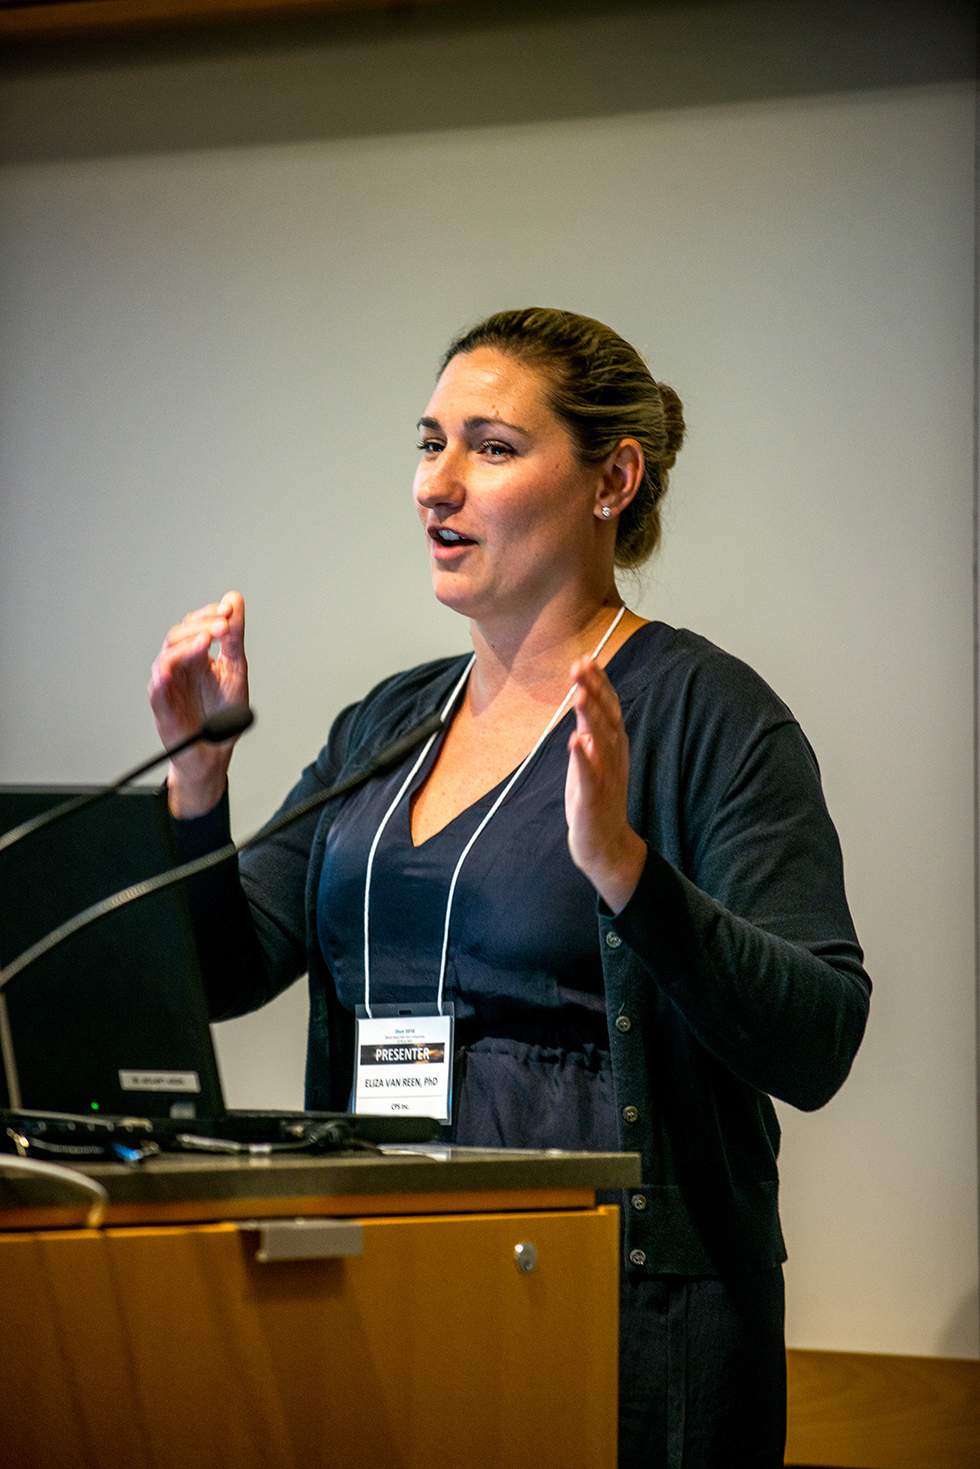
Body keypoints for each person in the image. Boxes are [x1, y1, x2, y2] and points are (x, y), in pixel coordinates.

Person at [149, 307, 870, 1468]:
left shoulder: (707, 715)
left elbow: (819, 1037)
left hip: (623, 1316)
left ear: (610, 480)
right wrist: (195, 786)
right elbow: (227, 971)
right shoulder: (385, 722)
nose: (436, 485)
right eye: (427, 442)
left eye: (488, 447)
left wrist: (629, 875)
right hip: (380, 1281)